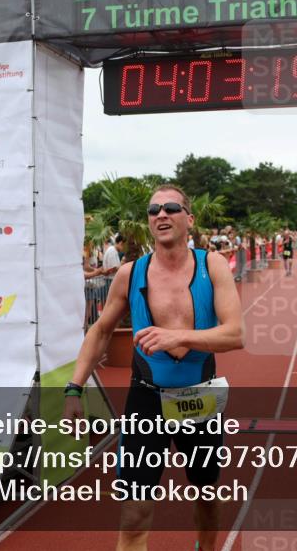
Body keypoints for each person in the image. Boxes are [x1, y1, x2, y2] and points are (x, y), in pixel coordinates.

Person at [64, 184, 243, 551]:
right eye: (153, 210)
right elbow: (100, 331)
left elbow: (235, 334)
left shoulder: (213, 265)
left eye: (171, 207)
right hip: (146, 402)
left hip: (199, 401)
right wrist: (73, 388)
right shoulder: (131, 274)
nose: (161, 214)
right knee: (133, 514)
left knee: (208, 500)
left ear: (188, 219)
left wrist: (181, 338)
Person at [100, 235, 126, 304]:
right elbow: (113, 268)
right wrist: (122, 267)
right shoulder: (112, 251)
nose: (124, 249)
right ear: (120, 243)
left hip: (110, 280)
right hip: (110, 281)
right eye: (124, 246)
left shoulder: (113, 250)